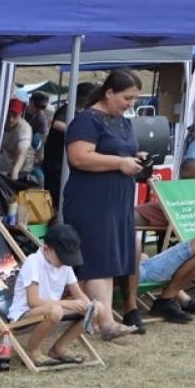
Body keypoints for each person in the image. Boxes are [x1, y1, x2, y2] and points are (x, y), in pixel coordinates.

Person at [62, 69, 145, 340]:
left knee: (109, 258)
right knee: (98, 258)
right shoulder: (86, 121)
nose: (131, 103)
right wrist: (120, 162)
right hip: (92, 200)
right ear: (109, 93)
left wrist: (135, 156)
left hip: (118, 200)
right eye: (127, 97)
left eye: (134, 98)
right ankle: (106, 322)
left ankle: (94, 320)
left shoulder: (122, 122)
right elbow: (79, 158)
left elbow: (117, 151)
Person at [8, 224, 98, 365]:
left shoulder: (64, 265)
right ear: (46, 249)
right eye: (62, 257)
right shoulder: (34, 262)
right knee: (56, 310)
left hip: (52, 311)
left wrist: (89, 308)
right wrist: (66, 303)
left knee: (97, 307)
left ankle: (59, 349)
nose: (65, 262)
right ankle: (32, 351)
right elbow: (33, 301)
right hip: (24, 314)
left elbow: (79, 294)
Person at [43, 82, 91, 213]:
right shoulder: (68, 109)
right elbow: (58, 124)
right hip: (55, 163)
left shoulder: (78, 111)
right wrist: (78, 132)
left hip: (61, 163)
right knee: (55, 200)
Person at [0, 98, 34, 184]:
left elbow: (22, 153)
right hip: (5, 165)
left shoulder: (25, 129)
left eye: (14, 115)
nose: (11, 119)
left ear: (20, 114)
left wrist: (15, 171)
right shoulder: (1, 124)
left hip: (22, 168)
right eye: (8, 115)